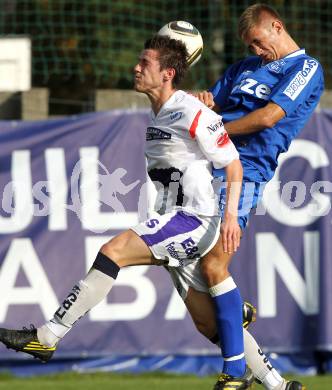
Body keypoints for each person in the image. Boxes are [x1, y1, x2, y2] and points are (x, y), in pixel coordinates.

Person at [0, 35, 254, 390]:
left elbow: (233, 165)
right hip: (174, 219)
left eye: (144, 63)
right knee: (210, 324)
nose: (136, 67)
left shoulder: (192, 111)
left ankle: (47, 336)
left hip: (195, 220)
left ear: (167, 73)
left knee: (112, 252)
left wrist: (230, 218)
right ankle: (276, 383)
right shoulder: (160, 114)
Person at [166, 3, 324, 390]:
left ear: (277, 26)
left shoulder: (305, 68)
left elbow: (270, 116)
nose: (255, 50)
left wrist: (217, 130)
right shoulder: (241, 68)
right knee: (184, 262)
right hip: (204, 168)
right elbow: (211, 106)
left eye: (258, 41)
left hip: (246, 170)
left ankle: (236, 371)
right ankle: (267, 370)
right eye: (250, 45)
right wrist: (203, 102)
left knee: (214, 267)